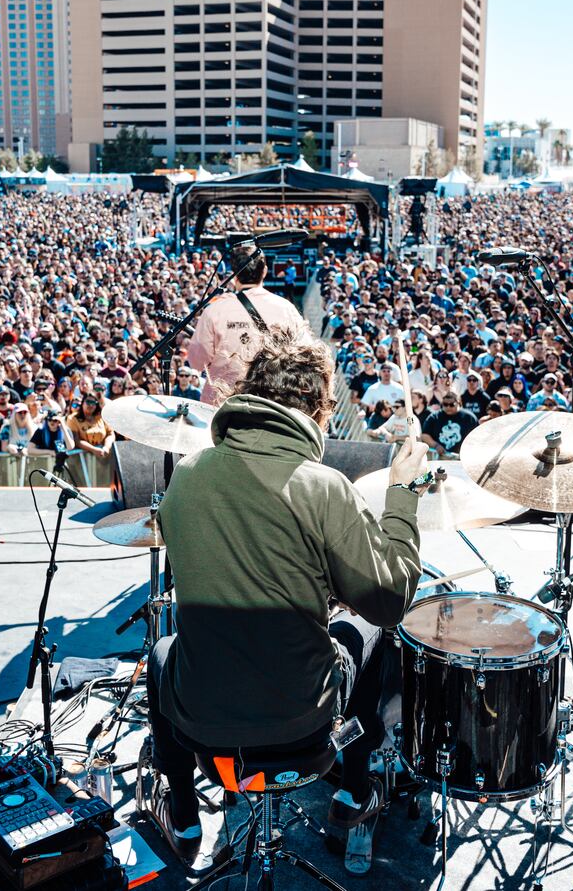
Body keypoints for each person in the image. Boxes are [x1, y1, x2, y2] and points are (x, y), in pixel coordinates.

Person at [144, 325, 426, 875]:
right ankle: (353, 784)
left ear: (250, 394)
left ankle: (182, 807)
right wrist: (403, 491)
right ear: (319, 409)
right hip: (302, 726)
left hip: (202, 728)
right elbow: (390, 596)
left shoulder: (188, 476)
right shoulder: (320, 486)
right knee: (370, 629)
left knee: (164, 650)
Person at [184, 243, 307, 404]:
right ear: (264, 271)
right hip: (272, 403)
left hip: (222, 405)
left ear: (234, 274)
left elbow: (197, 361)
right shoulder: (286, 309)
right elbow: (304, 356)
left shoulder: (215, 310)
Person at [421, 392, 479, 457]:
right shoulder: (434, 417)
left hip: (462, 458)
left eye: (452, 404)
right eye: (445, 404)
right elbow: (424, 435)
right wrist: (436, 445)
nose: (448, 407)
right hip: (440, 457)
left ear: (459, 403)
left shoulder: (470, 418)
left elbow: (477, 437)